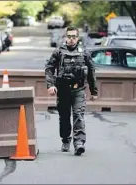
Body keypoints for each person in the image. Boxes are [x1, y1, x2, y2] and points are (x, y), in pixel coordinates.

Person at [45, 26, 98, 156]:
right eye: (69, 36)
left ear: (77, 38)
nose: (71, 39)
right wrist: (50, 85)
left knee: (78, 115)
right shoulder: (58, 51)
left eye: (74, 37)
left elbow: (91, 72)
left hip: (79, 89)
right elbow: (49, 68)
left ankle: (79, 143)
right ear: (65, 37)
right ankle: (65, 139)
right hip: (63, 90)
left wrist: (94, 91)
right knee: (64, 118)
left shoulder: (84, 52)